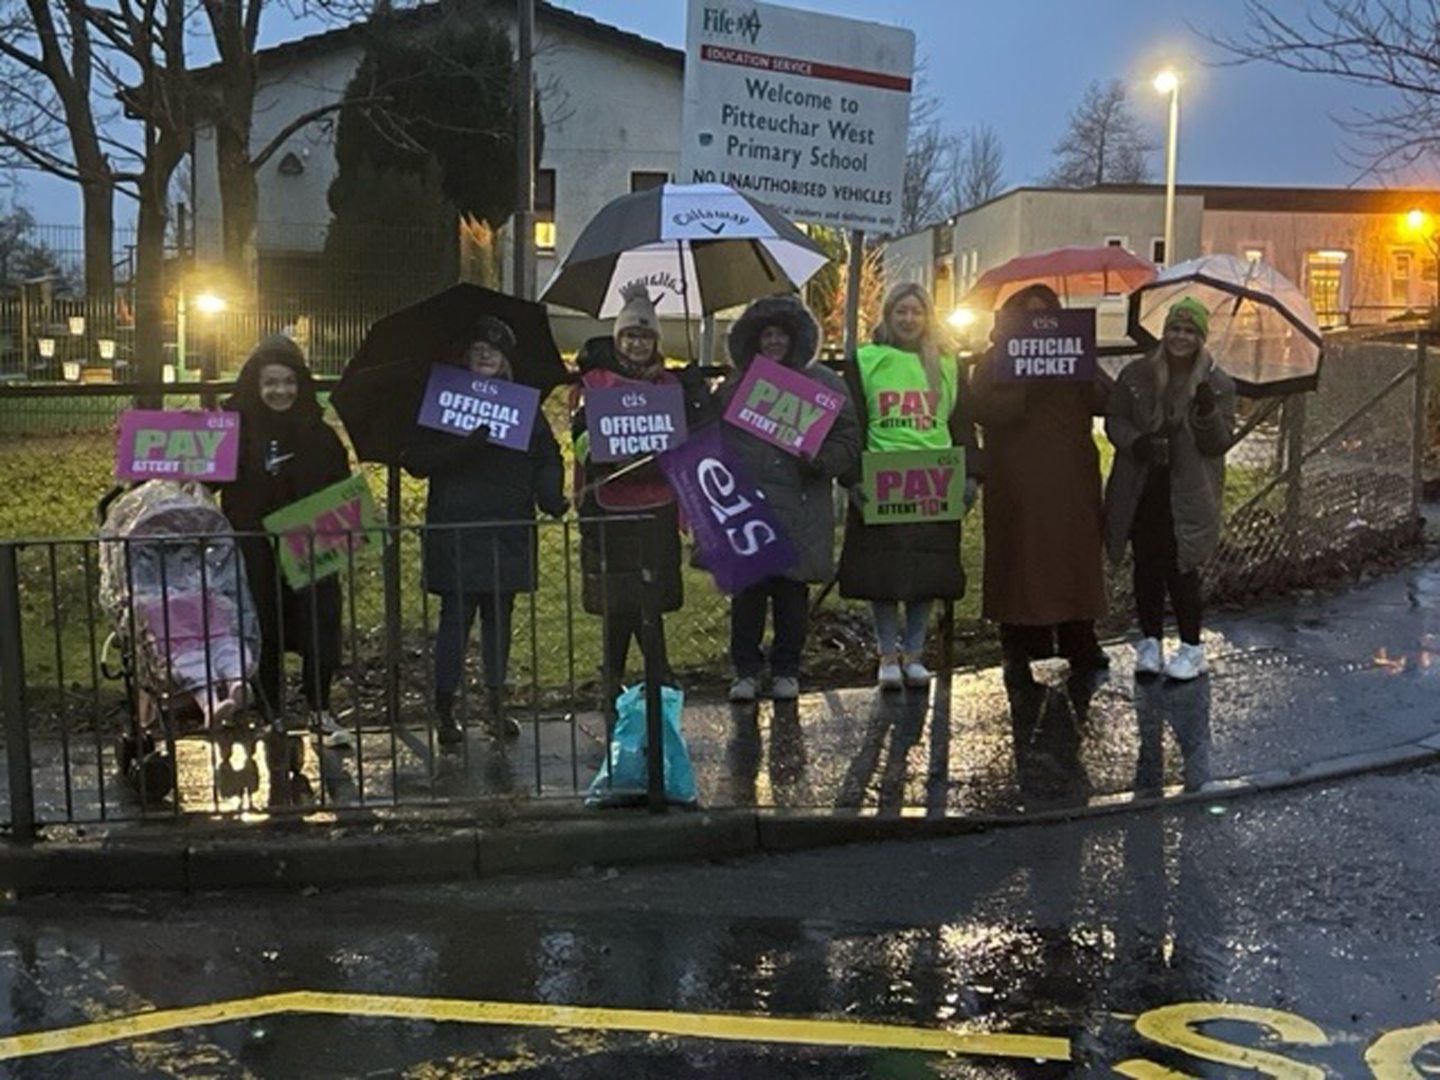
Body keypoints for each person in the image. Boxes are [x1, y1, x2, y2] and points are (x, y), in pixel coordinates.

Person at [402, 316, 568, 745]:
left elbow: (546, 456)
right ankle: (444, 709)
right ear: (465, 356)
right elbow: (417, 460)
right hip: (457, 526)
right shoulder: (443, 402)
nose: (484, 355)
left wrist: (550, 493)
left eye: (492, 350)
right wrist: (463, 446)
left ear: (506, 359)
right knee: (455, 620)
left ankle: (495, 706)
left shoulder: (524, 407)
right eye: (477, 349)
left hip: (507, 526)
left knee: (499, 620)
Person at [570, 284, 712, 705]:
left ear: (656, 342)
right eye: (630, 336)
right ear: (618, 340)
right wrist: (604, 453)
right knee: (620, 598)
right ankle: (643, 671)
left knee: (649, 595)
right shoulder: (594, 383)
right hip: (609, 506)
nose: (637, 344)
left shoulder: (671, 384)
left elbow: (694, 437)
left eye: (645, 336)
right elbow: (578, 436)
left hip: (657, 505)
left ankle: (638, 673)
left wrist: (695, 395)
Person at [837, 282, 980, 691]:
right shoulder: (866, 361)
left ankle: (914, 654)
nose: (908, 319)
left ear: (927, 316)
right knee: (883, 574)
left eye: (916, 311)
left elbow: (961, 422)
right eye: (901, 311)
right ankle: (886, 656)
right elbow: (853, 423)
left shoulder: (949, 363)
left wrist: (971, 475)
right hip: (881, 479)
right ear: (888, 315)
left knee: (927, 571)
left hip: (934, 479)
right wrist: (853, 479)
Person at [718, 295, 860, 702]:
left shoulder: (825, 385)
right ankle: (745, 670)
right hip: (750, 505)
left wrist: (822, 461)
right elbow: (713, 433)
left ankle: (786, 670)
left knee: (790, 594)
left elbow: (848, 438)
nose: (774, 341)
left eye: (781, 333)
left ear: (795, 338)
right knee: (747, 594)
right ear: (753, 339)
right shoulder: (735, 386)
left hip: (800, 505)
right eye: (766, 333)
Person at [969, 284, 1109, 685]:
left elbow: (1105, 399)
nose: (1037, 323)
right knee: (1019, 560)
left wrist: (1082, 375)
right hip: (1018, 477)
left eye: (1044, 314)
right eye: (1027, 315)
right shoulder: (995, 358)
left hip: (1071, 475)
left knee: (1075, 558)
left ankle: (1079, 638)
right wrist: (1026, 386)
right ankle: (1018, 644)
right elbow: (983, 409)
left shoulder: (1075, 351)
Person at [221, 334, 354, 749]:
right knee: (262, 628)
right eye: (271, 383)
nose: (281, 391)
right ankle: (271, 714)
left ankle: (319, 709)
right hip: (255, 546)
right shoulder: (234, 433)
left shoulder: (321, 435)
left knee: (319, 625)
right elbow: (205, 479)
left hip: (311, 543)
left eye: (289, 382)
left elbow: (341, 484)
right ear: (256, 386)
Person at [1104, 297, 1236, 681]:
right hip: (1142, 485)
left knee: (1182, 567)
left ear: (1200, 337)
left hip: (1188, 489)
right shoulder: (1137, 374)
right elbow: (1115, 419)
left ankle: (1192, 647)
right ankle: (1149, 642)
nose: (1181, 337)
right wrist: (1136, 442)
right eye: (1175, 329)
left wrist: (1208, 412)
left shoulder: (1217, 383)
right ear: (1164, 333)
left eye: (1189, 331)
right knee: (1145, 564)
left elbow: (1218, 444)